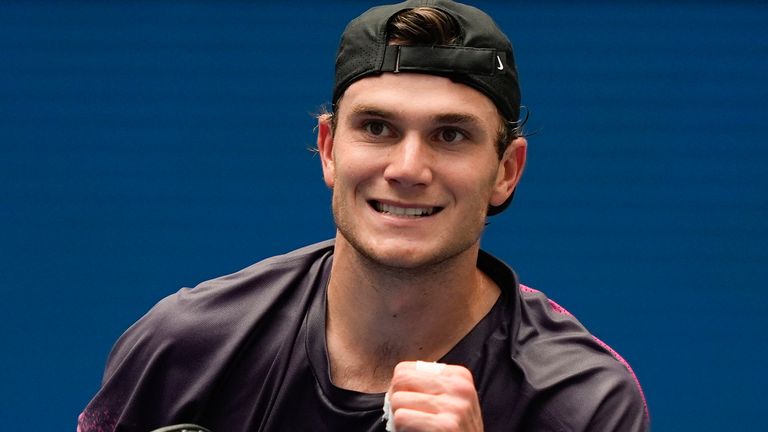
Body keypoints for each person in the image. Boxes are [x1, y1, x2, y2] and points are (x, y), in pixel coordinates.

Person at [78, 1, 649, 431]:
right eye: (377, 128)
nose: (407, 168)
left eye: (450, 135)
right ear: (328, 149)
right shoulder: (185, 349)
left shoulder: (583, 404)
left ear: (506, 171)